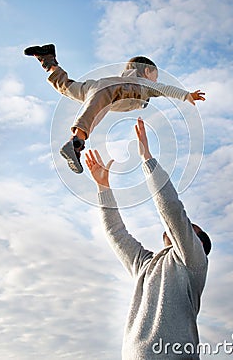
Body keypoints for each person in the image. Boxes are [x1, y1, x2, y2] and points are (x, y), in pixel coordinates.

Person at [85, 118, 211, 360]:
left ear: (199, 244)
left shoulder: (194, 262)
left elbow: (172, 211)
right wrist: (103, 187)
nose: (182, 228)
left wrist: (147, 159)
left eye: (189, 227)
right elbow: (116, 233)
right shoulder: (146, 265)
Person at [24, 44, 205, 173]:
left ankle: (48, 59)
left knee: (69, 88)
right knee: (98, 105)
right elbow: (164, 89)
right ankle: (76, 142)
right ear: (146, 72)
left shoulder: (133, 85)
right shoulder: (141, 84)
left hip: (96, 88)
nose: (155, 81)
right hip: (111, 90)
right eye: (154, 76)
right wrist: (186, 95)